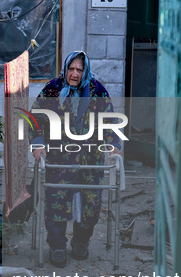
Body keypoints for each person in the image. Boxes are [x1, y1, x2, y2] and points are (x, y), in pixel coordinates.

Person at [29, 51, 122, 266]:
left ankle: (81, 241)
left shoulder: (97, 91)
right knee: (56, 201)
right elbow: (35, 118)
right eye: (71, 69)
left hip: (91, 158)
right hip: (59, 157)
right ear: (65, 69)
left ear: (85, 71)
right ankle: (57, 245)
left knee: (91, 203)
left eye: (79, 69)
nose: (74, 73)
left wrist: (115, 146)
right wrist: (37, 143)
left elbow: (110, 121)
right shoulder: (53, 88)